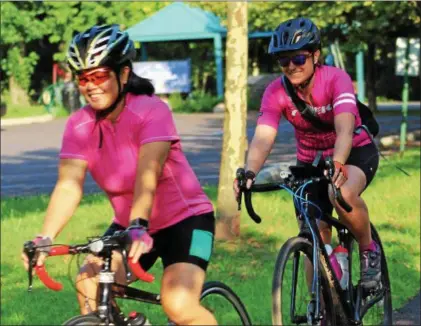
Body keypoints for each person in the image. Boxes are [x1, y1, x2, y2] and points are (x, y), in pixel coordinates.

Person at [22, 24, 217, 325]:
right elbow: (69, 186)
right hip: (130, 226)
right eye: (83, 78)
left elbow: (147, 176)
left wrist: (139, 224)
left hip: (188, 221)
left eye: (99, 75)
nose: (91, 86)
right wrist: (45, 237)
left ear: (123, 73)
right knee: (88, 281)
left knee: (178, 304)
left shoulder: (152, 111)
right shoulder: (78, 125)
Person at [234, 17, 381, 290]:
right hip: (311, 160)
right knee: (313, 232)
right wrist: (249, 171)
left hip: (354, 151)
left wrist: (338, 162)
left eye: (299, 58)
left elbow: (345, 129)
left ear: (315, 55)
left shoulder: (336, 79)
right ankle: (321, 310)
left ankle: (368, 250)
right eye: (284, 61)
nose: (291, 67)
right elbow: (264, 136)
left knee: (342, 194)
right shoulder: (276, 92)